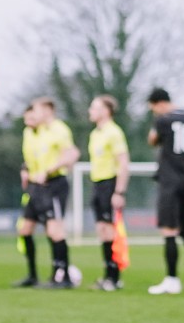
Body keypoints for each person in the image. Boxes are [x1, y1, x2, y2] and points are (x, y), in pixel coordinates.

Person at [146, 88, 184, 293]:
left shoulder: (163, 121)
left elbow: (152, 140)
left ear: (158, 103)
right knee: (182, 227)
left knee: (168, 230)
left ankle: (172, 279)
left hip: (169, 180)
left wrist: (157, 126)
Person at [16, 97, 80, 288]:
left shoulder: (59, 129)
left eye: (35, 110)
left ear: (46, 110)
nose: (32, 114)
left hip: (53, 185)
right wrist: (26, 169)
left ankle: (63, 276)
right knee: (25, 229)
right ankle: (33, 275)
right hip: (36, 187)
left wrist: (50, 169)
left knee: (55, 230)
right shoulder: (34, 131)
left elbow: (72, 154)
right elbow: (34, 156)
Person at [85, 95, 131, 290]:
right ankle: (107, 276)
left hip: (110, 185)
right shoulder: (95, 133)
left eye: (94, 107)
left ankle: (115, 277)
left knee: (111, 230)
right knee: (102, 231)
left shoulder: (114, 133)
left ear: (105, 111)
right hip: (97, 184)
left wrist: (119, 191)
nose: (90, 111)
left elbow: (123, 163)